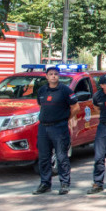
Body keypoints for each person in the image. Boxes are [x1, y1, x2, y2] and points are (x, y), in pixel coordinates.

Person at [32, 65, 78, 195]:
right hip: (44, 127)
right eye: (51, 74)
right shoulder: (42, 91)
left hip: (59, 127)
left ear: (59, 76)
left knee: (61, 156)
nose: (53, 76)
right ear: (46, 76)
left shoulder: (65, 91)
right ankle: (45, 183)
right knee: (44, 157)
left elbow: (75, 107)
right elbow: (41, 106)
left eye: (55, 74)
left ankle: (64, 183)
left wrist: (65, 118)